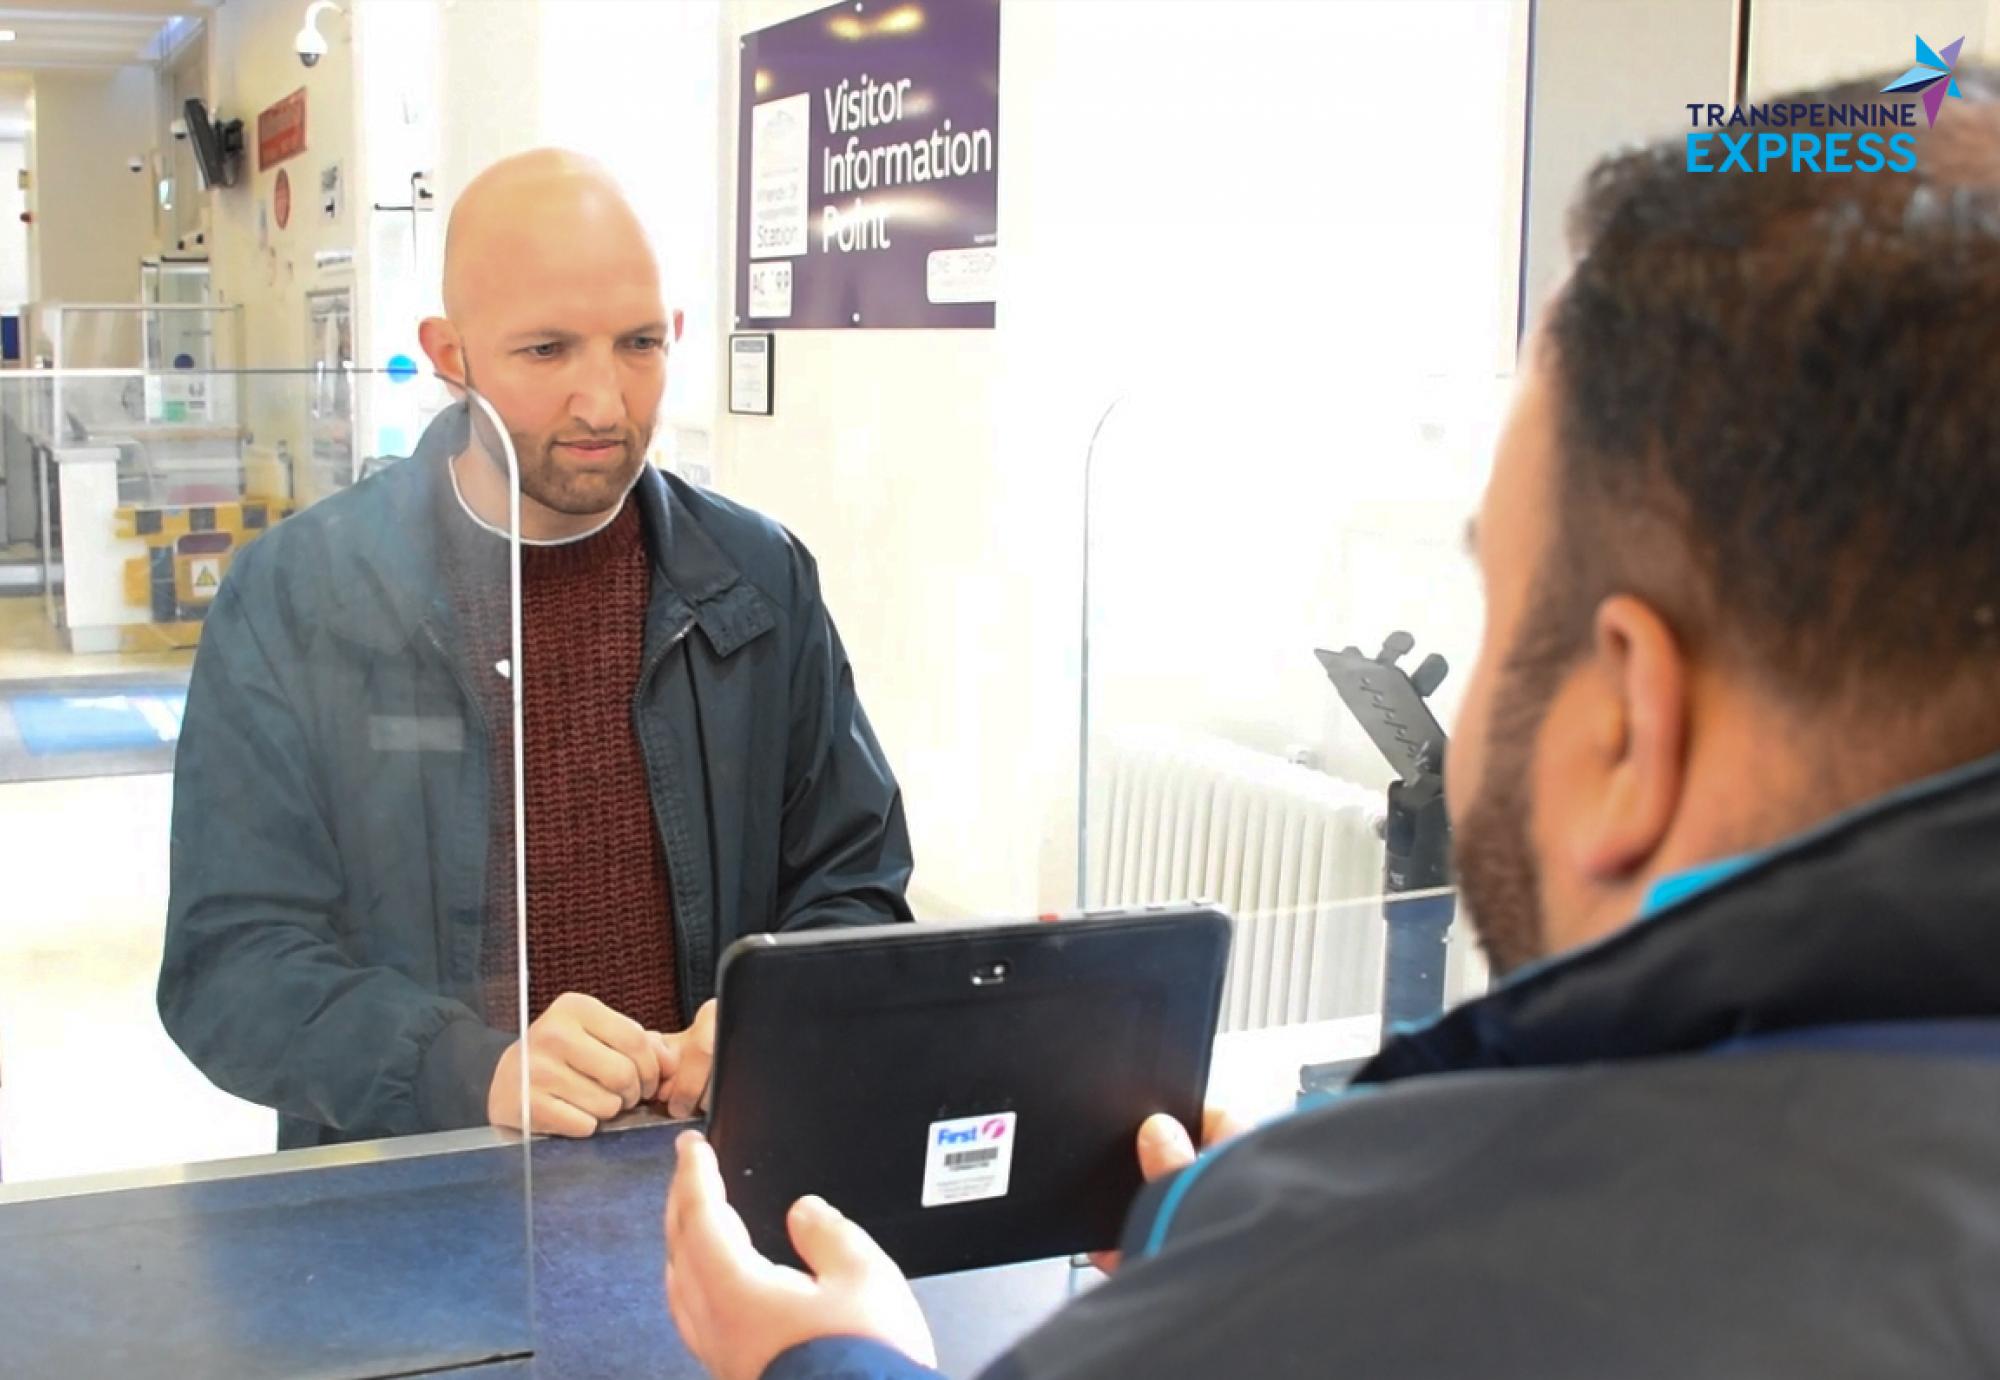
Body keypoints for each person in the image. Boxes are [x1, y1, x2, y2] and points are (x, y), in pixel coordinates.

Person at [663, 72, 2000, 1378]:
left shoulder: (1403, 1290)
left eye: (1504, 609)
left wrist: (835, 1364)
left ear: (1628, 731)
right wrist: (1251, 1235)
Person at [159, 151, 914, 1151]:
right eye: (547, 351)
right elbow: (230, 965)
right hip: (416, 1195)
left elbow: (854, 884)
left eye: (639, 344)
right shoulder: (298, 598)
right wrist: (471, 1072)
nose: (603, 403)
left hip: (698, 1171)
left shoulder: (757, 582)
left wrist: (775, 1015)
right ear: (450, 352)